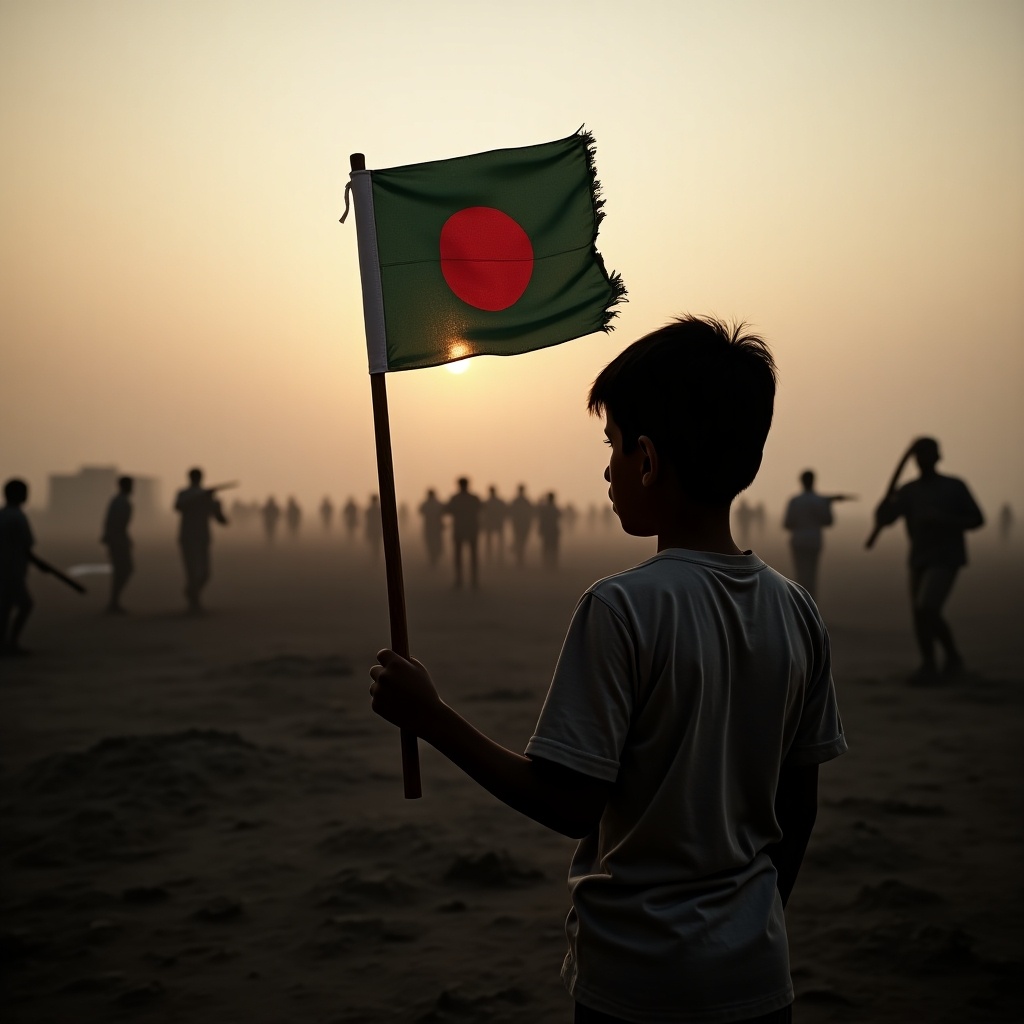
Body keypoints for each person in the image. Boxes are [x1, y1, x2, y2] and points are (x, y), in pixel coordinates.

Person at [369, 316, 846, 1024]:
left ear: (646, 459)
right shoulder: (797, 610)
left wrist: (431, 717)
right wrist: (757, 916)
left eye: (612, 445)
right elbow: (798, 806)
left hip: (638, 981)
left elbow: (567, 803)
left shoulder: (622, 606)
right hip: (757, 973)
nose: (607, 468)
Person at [871, 437, 984, 682]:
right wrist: (885, 506)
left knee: (927, 608)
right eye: (920, 455)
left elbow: (977, 519)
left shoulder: (954, 486)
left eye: (929, 454)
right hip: (919, 557)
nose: (924, 459)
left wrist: (943, 519)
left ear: (938, 457)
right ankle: (929, 664)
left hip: (947, 557)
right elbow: (886, 518)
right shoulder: (910, 490)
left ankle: (953, 658)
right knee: (919, 613)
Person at [782, 470, 854, 600]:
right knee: (812, 572)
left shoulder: (795, 501)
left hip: (798, 540)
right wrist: (827, 506)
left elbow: (787, 524)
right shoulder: (820, 501)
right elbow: (828, 521)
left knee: (800, 572)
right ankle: (811, 602)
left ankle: (800, 601)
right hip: (814, 540)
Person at [173, 468, 228, 613]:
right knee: (191, 571)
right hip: (188, 536)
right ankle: (194, 602)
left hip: (202, 536)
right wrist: (201, 497)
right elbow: (178, 507)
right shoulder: (184, 494)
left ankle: (192, 593)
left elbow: (220, 519)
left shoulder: (206, 496)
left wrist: (216, 505)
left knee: (205, 573)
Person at [1, 479, 38, 654]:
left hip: (6, 569)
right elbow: (26, 545)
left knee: (6, 607)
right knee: (25, 604)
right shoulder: (17, 516)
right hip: (12, 570)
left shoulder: (3, 515)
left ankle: (5, 644)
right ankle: (11, 643)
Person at [101, 475, 134, 613]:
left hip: (119, 539)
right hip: (118, 540)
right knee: (124, 570)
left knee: (123, 570)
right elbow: (114, 523)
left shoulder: (121, 501)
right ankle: (114, 602)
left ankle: (114, 601)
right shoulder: (120, 502)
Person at [443, 477, 482, 589]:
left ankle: (459, 580)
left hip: (459, 529)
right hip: (472, 529)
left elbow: (447, 510)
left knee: (458, 556)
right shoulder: (474, 498)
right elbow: (481, 509)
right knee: (473, 556)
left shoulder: (455, 498)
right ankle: (474, 580)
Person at [508, 484, 534, 566]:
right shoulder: (526, 501)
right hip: (523, 524)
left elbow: (511, 513)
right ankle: (520, 560)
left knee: (519, 541)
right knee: (522, 542)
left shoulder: (516, 501)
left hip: (518, 524)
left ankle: (519, 560)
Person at [418, 488, 445, 567]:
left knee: (430, 543)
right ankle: (434, 557)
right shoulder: (438, 503)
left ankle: (433, 558)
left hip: (430, 526)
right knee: (435, 543)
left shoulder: (426, 504)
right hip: (436, 526)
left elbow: (421, 511)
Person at [536, 491, 562, 569]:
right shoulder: (555, 508)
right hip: (553, 530)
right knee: (553, 548)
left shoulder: (545, 509)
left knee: (546, 548)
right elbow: (559, 516)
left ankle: (546, 564)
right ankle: (553, 565)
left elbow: (541, 520)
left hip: (547, 530)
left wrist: (540, 529)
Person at [482, 485, 508, 561]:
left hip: (492, 523)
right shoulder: (499, 502)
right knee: (497, 541)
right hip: (496, 523)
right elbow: (505, 512)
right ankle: (498, 556)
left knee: (490, 541)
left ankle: (491, 557)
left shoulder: (487, 502)